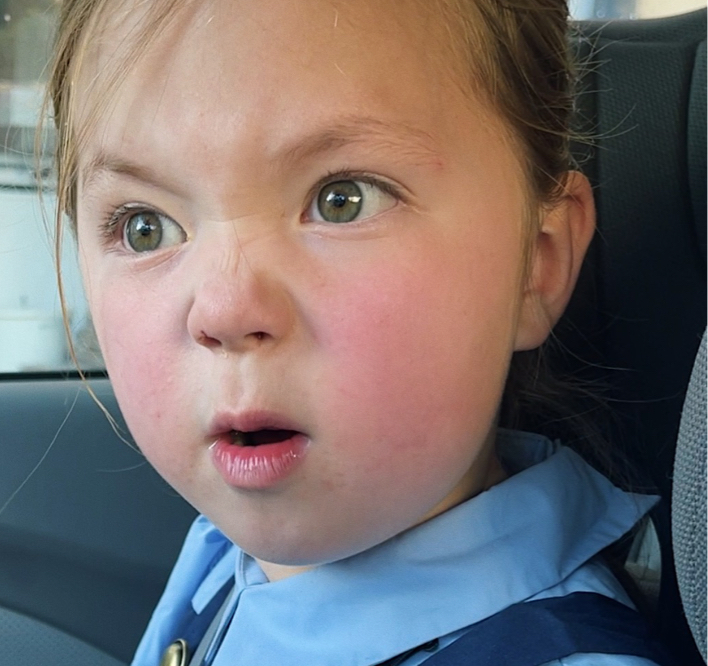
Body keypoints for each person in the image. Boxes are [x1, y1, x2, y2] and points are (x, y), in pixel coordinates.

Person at [44, 0, 675, 664]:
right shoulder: (222, 553)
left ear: (536, 264)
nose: (225, 312)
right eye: (144, 227)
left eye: (343, 200)